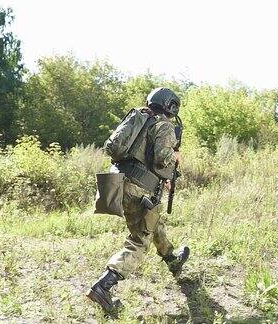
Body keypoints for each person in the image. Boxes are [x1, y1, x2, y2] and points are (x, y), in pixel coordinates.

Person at [87, 87, 190, 313]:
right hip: (138, 188)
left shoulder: (139, 119)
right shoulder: (164, 126)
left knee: (153, 223)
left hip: (114, 183)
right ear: (171, 106)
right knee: (140, 240)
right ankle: (104, 285)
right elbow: (163, 158)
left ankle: (172, 259)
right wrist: (175, 156)